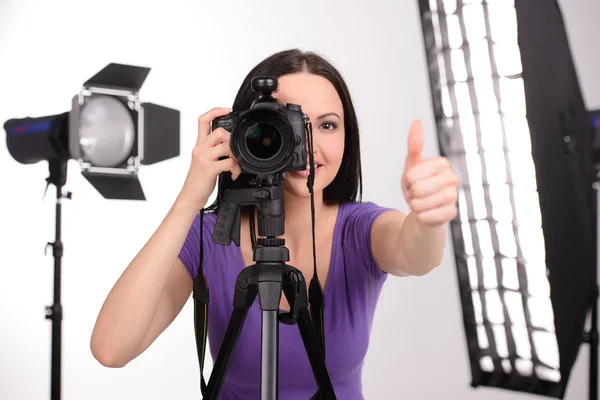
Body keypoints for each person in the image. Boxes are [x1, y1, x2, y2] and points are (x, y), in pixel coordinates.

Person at [90, 48, 459, 399]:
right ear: (244, 132)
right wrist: (191, 196)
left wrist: (429, 218)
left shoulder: (359, 230)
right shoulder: (210, 237)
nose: (306, 144)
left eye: (327, 125)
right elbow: (111, 349)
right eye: (286, 125)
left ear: (349, 137)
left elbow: (416, 255)